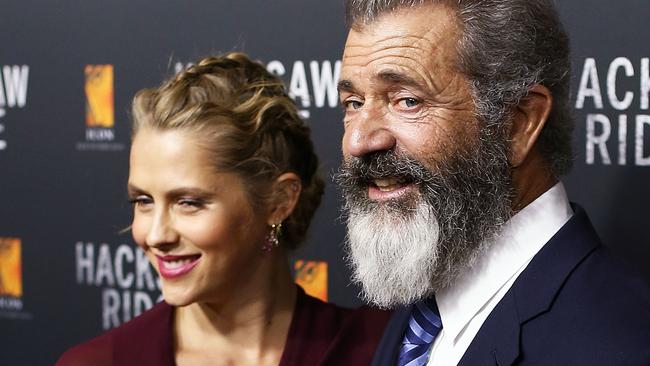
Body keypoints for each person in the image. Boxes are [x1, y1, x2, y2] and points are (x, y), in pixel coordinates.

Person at [335, 1, 650, 365]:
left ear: (518, 124)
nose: (358, 142)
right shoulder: (423, 292)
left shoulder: (620, 346)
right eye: (354, 102)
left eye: (407, 101)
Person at [58, 52, 390, 366]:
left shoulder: (378, 351)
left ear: (279, 202)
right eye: (143, 201)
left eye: (188, 203)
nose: (156, 235)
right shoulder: (97, 361)